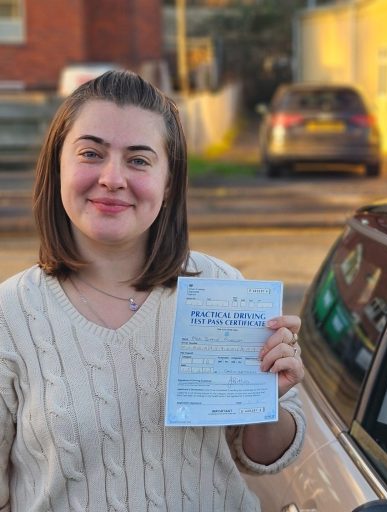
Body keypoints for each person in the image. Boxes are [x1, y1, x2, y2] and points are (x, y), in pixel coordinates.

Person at [0, 70, 306, 511]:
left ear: (168, 182)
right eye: (91, 152)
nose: (112, 178)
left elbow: (263, 458)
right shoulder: (11, 315)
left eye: (139, 160)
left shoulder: (223, 289)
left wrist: (266, 400)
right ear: (58, 165)